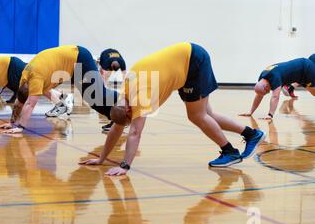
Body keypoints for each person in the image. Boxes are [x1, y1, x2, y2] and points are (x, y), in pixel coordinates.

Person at [79, 42, 266, 175]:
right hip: (186, 61)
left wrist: (125, 166)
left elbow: (135, 132)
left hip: (193, 61)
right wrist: (101, 158)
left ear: (128, 111)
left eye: (129, 119)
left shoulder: (140, 95)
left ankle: (230, 152)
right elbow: (116, 128)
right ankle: (251, 134)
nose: (129, 123)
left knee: (197, 116)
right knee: (207, 115)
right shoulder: (123, 96)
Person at [0, 45, 119, 134]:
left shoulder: (35, 79)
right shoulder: (23, 79)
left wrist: (20, 127)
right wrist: (12, 123)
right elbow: (19, 103)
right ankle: (116, 120)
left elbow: (29, 104)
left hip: (79, 57)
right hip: (71, 64)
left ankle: (123, 97)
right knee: (92, 101)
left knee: (99, 95)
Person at [240, 57, 315, 120]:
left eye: (267, 92)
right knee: (313, 93)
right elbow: (259, 95)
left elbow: (275, 97)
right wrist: (251, 112)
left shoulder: (274, 77)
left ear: (266, 86)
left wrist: (270, 115)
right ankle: (290, 88)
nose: (269, 92)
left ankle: (290, 88)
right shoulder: (262, 77)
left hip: (306, 68)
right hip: (300, 73)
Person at [98, 48, 127, 132]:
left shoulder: (122, 62)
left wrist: (124, 88)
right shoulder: (106, 62)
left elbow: (124, 74)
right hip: (104, 53)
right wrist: (103, 87)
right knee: (103, 74)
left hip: (115, 53)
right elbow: (103, 74)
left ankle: (117, 121)